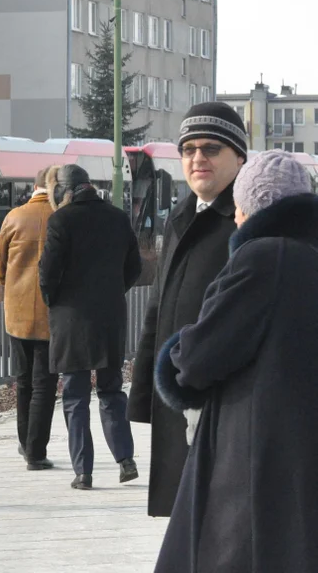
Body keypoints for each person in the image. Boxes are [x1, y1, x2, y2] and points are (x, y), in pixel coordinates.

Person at [153, 150, 318, 572]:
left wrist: (175, 357)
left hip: (256, 452)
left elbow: (202, 355)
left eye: (240, 207)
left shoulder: (264, 257)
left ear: (252, 207)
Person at [127, 102, 247, 517]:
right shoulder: (180, 214)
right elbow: (159, 306)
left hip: (225, 403)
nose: (197, 158)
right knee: (186, 518)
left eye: (212, 148)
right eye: (188, 149)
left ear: (239, 157)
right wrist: (144, 391)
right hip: (176, 395)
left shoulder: (248, 222)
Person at [39, 164, 142, 490]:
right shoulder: (118, 218)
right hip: (109, 318)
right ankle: (125, 459)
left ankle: (83, 472)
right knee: (112, 390)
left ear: (65, 192)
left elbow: (48, 273)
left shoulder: (61, 221)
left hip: (71, 320)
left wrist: (54, 299)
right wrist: (112, 292)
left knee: (75, 396)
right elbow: (135, 268)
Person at [0, 167, 56, 469]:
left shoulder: (14, 217)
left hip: (16, 314)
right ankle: (36, 451)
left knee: (23, 380)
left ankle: (23, 441)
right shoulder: (60, 217)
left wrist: (13, 288)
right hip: (50, 314)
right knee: (44, 383)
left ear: (33, 186)